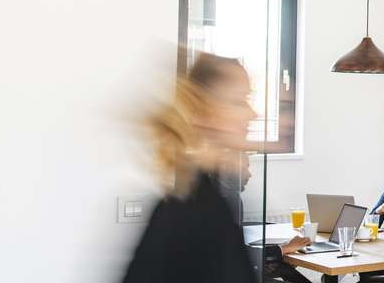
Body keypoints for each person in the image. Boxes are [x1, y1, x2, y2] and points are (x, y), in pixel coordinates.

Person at [123, 53, 312, 283]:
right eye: (238, 101)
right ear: (204, 112)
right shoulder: (190, 209)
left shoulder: (211, 197)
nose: (252, 114)